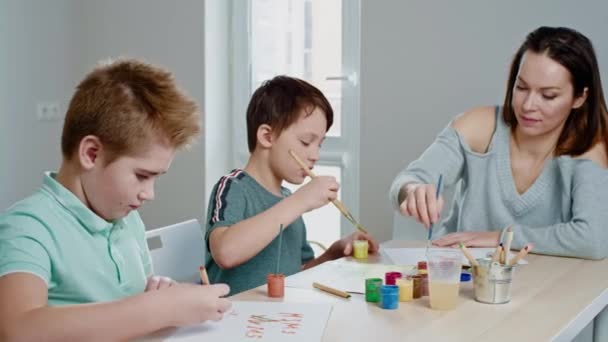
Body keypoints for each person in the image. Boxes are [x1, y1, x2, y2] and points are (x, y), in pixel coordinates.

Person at [0, 58, 231, 341]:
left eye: (157, 177)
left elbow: (127, 309)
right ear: (92, 154)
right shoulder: (27, 226)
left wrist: (156, 293)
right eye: (142, 175)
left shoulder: (126, 218)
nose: (149, 193)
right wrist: (159, 309)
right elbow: (18, 328)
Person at [390, 26, 608, 259]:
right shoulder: (478, 126)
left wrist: (500, 237)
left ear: (580, 98)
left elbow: (592, 240)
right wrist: (412, 190)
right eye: (521, 87)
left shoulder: (589, 149)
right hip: (456, 275)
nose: (528, 105)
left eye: (548, 95)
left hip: (543, 285)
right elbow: (405, 182)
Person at [205, 75, 379, 295]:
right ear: (267, 136)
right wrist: (300, 201)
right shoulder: (233, 187)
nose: (315, 155)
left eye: (320, 145)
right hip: (235, 321)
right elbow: (226, 253)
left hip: (281, 319)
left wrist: (334, 253)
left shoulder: (289, 201)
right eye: (306, 142)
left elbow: (298, 273)